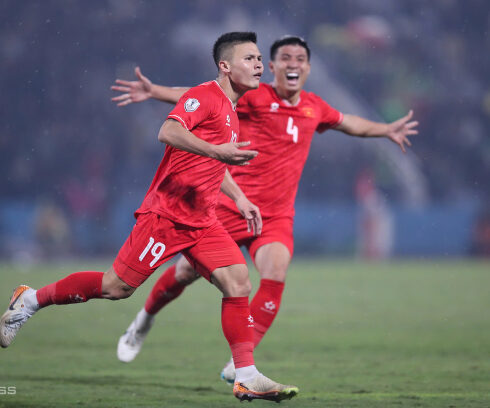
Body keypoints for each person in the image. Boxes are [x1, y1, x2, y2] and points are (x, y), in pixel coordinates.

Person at [0, 32, 299, 403]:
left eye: (258, 59)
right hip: (167, 215)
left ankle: (246, 375)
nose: (258, 65)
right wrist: (217, 151)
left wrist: (240, 197)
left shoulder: (232, 109)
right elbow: (168, 131)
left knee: (238, 281)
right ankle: (29, 300)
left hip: (203, 218)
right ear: (225, 66)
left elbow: (211, 161)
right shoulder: (204, 96)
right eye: (250, 58)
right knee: (115, 288)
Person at [111, 35, 418, 383]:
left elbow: (350, 123)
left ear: (308, 68)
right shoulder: (254, 95)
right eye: (285, 57)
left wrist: (386, 130)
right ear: (271, 67)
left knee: (275, 272)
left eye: (300, 58)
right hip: (226, 205)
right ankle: (145, 319)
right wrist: (156, 92)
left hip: (274, 215)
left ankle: (240, 364)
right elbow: (199, 96)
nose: (293, 63)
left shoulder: (314, 107)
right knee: (183, 274)